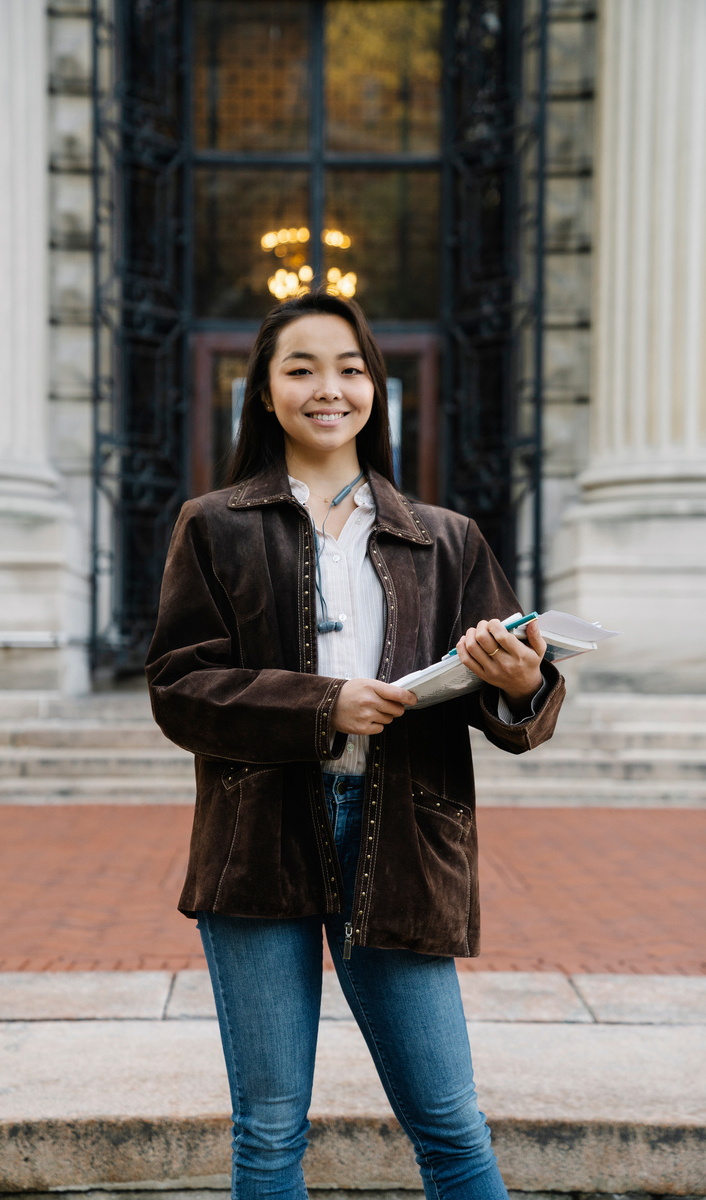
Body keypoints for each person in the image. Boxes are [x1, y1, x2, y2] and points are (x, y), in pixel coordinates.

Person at [146, 291, 565, 1200]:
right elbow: (180, 689)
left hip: (405, 839)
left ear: (376, 385)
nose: (327, 388)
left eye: (348, 367)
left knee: (452, 1127)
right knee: (267, 1130)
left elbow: (510, 702)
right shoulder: (213, 524)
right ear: (263, 392)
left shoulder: (444, 538)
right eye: (299, 368)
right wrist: (324, 704)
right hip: (256, 843)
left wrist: (523, 682)